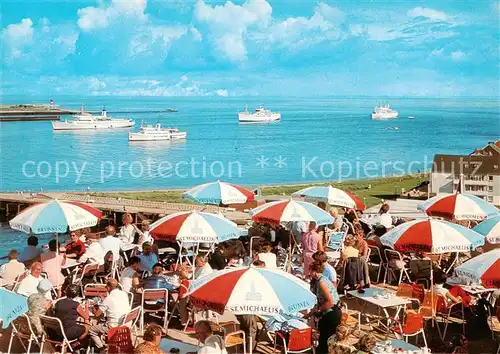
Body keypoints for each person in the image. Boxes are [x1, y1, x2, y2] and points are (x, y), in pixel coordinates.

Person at [306, 261, 341, 354]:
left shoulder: (322, 282)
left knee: (326, 341)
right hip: (329, 313)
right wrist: (310, 314)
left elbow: (330, 302)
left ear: (313, 270)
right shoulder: (319, 280)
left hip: (332, 313)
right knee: (323, 341)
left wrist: (319, 310)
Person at [89, 279, 131, 350]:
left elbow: (96, 314)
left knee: (91, 330)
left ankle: (101, 349)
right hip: (126, 324)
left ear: (108, 287)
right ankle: (105, 343)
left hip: (113, 326)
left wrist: (93, 305)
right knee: (101, 323)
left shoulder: (109, 298)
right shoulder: (124, 294)